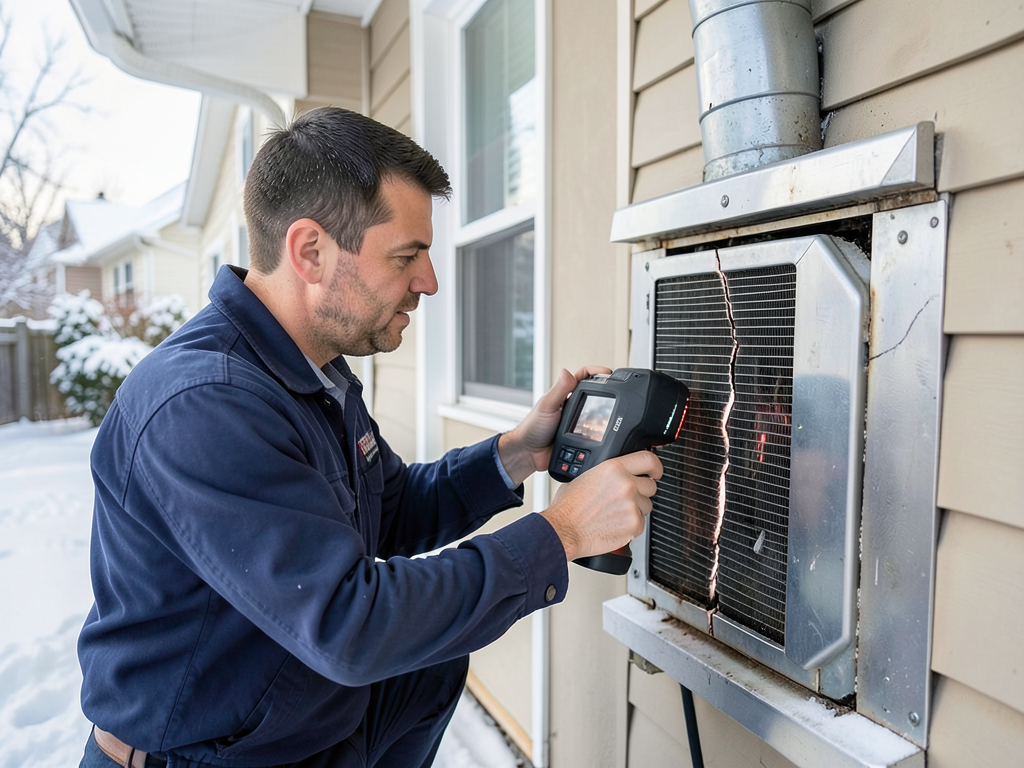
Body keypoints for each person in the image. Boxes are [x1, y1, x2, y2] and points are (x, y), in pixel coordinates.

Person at [78, 107, 662, 768]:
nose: (431, 282)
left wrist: (519, 451)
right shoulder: (206, 405)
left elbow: (387, 508)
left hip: (305, 729)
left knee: (430, 665)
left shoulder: (314, 370)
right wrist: (561, 535)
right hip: (205, 758)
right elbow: (348, 625)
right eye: (406, 257)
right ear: (310, 252)